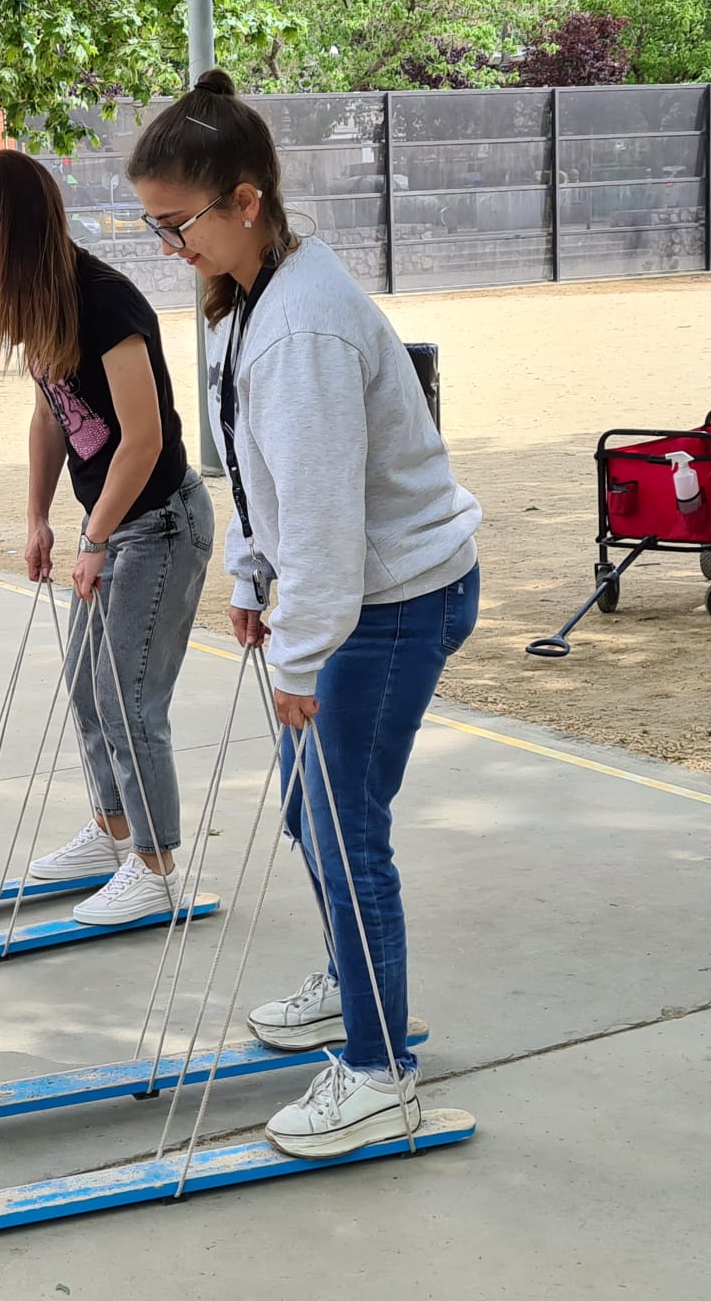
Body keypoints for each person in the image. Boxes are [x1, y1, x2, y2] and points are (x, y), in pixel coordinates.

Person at [127, 72, 482, 1159]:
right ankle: (351, 984)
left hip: (391, 601)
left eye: (180, 224)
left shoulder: (302, 329)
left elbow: (326, 524)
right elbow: (260, 472)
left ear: (246, 201)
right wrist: (247, 577)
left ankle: (379, 1073)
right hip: (350, 596)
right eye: (152, 227)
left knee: (345, 832)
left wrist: (297, 655)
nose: (170, 247)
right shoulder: (251, 296)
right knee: (305, 812)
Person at [0, 150, 214, 926]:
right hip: (114, 525)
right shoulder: (42, 303)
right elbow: (51, 413)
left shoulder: (106, 301)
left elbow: (143, 439)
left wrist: (93, 539)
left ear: (28, 228)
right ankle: (113, 833)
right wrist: (38, 517)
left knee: (127, 699)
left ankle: (156, 867)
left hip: (161, 524)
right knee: (84, 685)